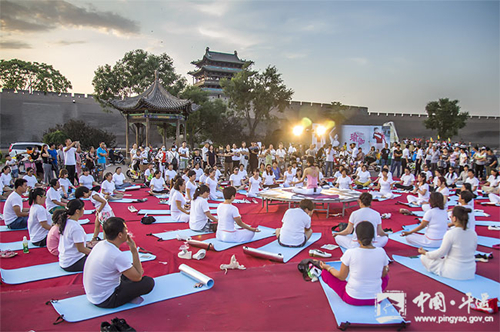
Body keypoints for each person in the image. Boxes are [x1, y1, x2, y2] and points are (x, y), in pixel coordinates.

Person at [83, 217, 155, 308]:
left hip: (93, 295)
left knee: (130, 270)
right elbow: (138, 277)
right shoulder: (116, 255)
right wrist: (134, 251)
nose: (127, 232)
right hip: (106, 299)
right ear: (120, 235)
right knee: (148, 282)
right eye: (126, 229)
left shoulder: (101, 244)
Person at [320, 221, 390, 306]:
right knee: (385, 277)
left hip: (353, 298)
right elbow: (383, 275)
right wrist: (386, 269)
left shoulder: (350, 252)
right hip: (376, 299)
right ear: (374, 236)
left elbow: (341, 277)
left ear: (356, 237)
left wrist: (328, 268)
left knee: (325, 273)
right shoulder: (381, 252)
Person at [419, 206, 477, 280]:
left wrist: (426, 253)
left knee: (424, 257)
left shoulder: (451, 233)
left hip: (453, 272)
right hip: (470, 271)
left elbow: (441, 253)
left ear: (454, 218)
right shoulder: (473, 233)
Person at [56, 199, 91, 272]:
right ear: (77, 211)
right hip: (72, 262)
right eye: (83, 208)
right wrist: (96, 253)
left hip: (65, 260)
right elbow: (81, 249)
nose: (84, 210)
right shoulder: (75, 227)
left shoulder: (67, 221)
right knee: (104, 262)